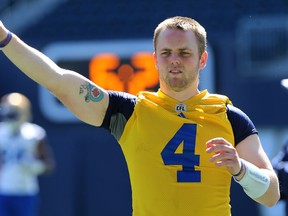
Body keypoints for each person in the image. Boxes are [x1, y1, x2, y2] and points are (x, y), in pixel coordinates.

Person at [0, 16, 280, 216]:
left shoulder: (230, 117)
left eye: (184, 53)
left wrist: (241, 169)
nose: (174, 60)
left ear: (202, 59)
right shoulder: (130, 112)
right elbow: (57, 80)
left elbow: (271, 195)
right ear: (155, 59)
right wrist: (4, 38)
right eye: (166, 52)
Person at [0, 92, 55, 216]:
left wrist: (35, 165)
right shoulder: (1, 133)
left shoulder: (34, 134)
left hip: (25, 191)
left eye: (13, 112)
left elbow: (48, 165)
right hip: (3, 190)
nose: (10, 115)